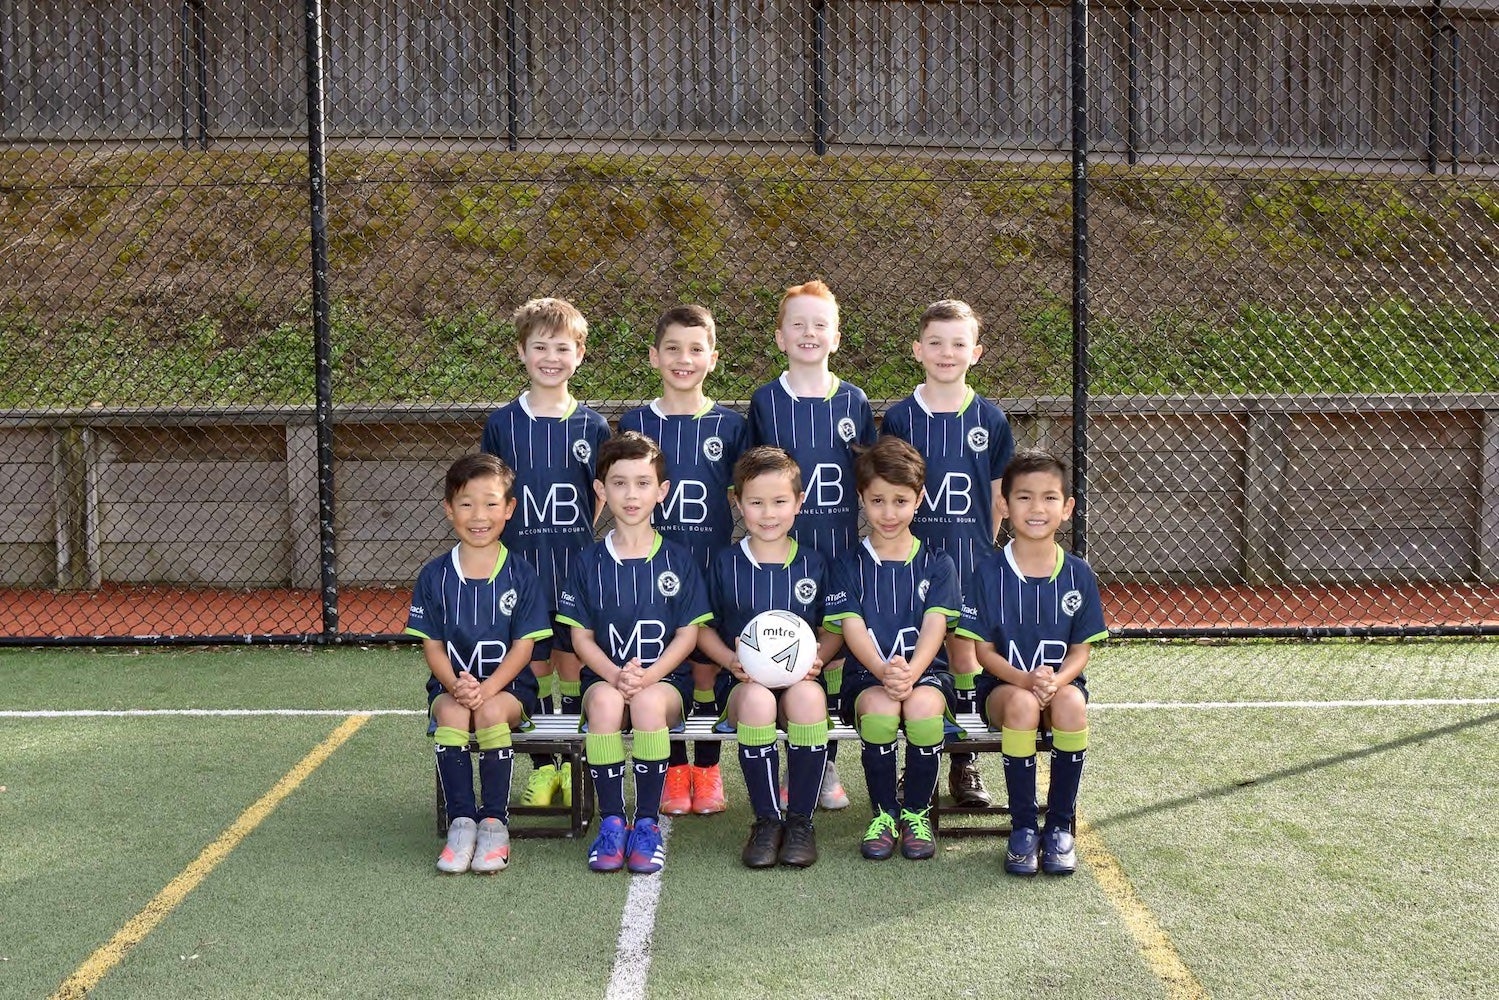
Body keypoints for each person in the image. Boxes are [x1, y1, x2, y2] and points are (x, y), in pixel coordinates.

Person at [747, 279, 876, 811]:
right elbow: (754, 480)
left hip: (837, 552)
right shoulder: (765, 402)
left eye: (819, 324)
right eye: (797, 324)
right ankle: (779, 769)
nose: (808, 333)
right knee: (774, 654)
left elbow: (866, 479)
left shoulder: (854, 400)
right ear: (780, 337)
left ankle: (822, 766)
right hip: (779, 554)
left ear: (836, 337)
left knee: (827, 658)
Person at [557, 431, 712, 875]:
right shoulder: (587, 562)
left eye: (643, 483)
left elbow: (687, 635)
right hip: (603, 680)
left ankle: (646, 821)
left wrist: (646, 677)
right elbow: (582, 638)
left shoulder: (679, 560)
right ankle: (611, 821)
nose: (631, 494)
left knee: (645, 703)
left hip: (663, 685)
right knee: (606, 702)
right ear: (601, 491)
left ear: (662, 492)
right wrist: (614, 675)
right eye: (619, 483)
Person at [880, 299, 1015, 808]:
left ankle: (964, 762)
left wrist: (987, 555)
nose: (946, 352)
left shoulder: (990, 419)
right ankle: (915, 767)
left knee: (963, 657)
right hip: (910, 567)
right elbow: (888, 489)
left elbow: (998, 498)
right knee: (912, 663)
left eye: (958, 343)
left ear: (976, 353)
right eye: (935, 342)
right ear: (917, 350)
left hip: (968, 563)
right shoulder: (899, 417)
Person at [619, 304, 749, 817]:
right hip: (651, 572)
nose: (683, 359)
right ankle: (674, 771)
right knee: (661, 670)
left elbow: (745, 494)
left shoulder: (731, 425)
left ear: (713, 359)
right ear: (654, 356)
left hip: (712, 565)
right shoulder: (635, 423)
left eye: (696, 350)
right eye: (672, 349)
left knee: (707, 669)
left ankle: (709, 770)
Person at [481, 297, 610, 809]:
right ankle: (545, 768)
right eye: (540, 347)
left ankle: (575, 764)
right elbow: (493, 494)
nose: (550, 357)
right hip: (522, 573)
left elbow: (600, 493)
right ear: (522, 351)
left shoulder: (593, 427)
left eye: (562, 347)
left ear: (579, 354)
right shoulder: (503, 424)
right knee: (531, 668)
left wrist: (580, 534)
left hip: (574, 568)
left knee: (573, 662)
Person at [956, 450, 1108, 876]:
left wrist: (1057, 680)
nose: (1036, 509)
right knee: (1023, 706)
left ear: (1067, 508)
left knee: (1072, 706)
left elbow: (1081, 650)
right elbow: (982, 652)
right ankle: (1023, 827)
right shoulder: (987, 572)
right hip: (1004, 689)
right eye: (1023, 498)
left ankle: (1059, 827)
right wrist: (1025, 679)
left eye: (1048, 498)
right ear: (1004, 505)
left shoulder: (1078, 573)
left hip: (1059, 686)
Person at [405, 453, 553, 874]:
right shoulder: (434, 576)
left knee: (488, 711)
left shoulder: (521, 575)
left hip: (508, 691)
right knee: (452, 712)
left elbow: (524, 648)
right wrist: (455, 685)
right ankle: (461, 822)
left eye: (490, 503)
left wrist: (487, 689)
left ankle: (494, 824)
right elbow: (432, 646)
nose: (478, 515)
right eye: (466, 504)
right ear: (449, 509)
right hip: (450, 687)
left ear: (509, 508)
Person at [696, 447, 841, 868]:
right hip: (743, 686)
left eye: (780, 502)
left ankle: (800, 821)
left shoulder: (815, 563)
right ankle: (766, 821)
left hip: (800, 681)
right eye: (756, 503)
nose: (768, 513)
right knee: (759, 701)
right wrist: (729, 660)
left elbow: (833, 626)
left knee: (810, 699)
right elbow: (702, 628)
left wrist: (818, 656)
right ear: (738, 503)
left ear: (799, 502)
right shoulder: (725, 564)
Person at [825, 437, 960, 861]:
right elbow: (853, 628)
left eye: (900, 501)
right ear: (861, 497)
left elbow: (936, 628)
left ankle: (916, 814)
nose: (888, 512)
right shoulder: (847, 564)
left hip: (928, 674)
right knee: (882, 713)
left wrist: (911, 672)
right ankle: (883, 814)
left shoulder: (938, 563)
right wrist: (884, 672)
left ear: (919, 499)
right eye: (878, 500)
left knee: (922, 712)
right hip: (868, 677)